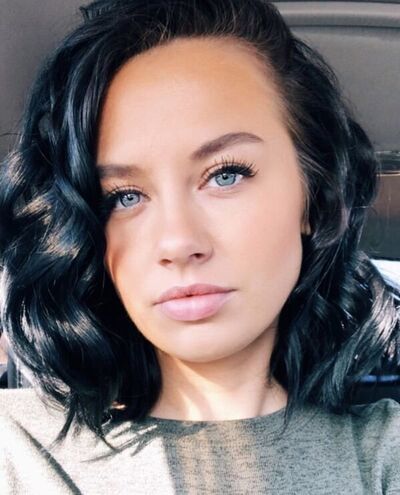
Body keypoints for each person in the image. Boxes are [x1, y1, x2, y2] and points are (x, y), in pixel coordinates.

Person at [0, 0, 399, 493]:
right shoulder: (19, 449)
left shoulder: (384, 453)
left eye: (225, 175)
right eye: (124, 197)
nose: (178, 242)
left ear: (313, 200)